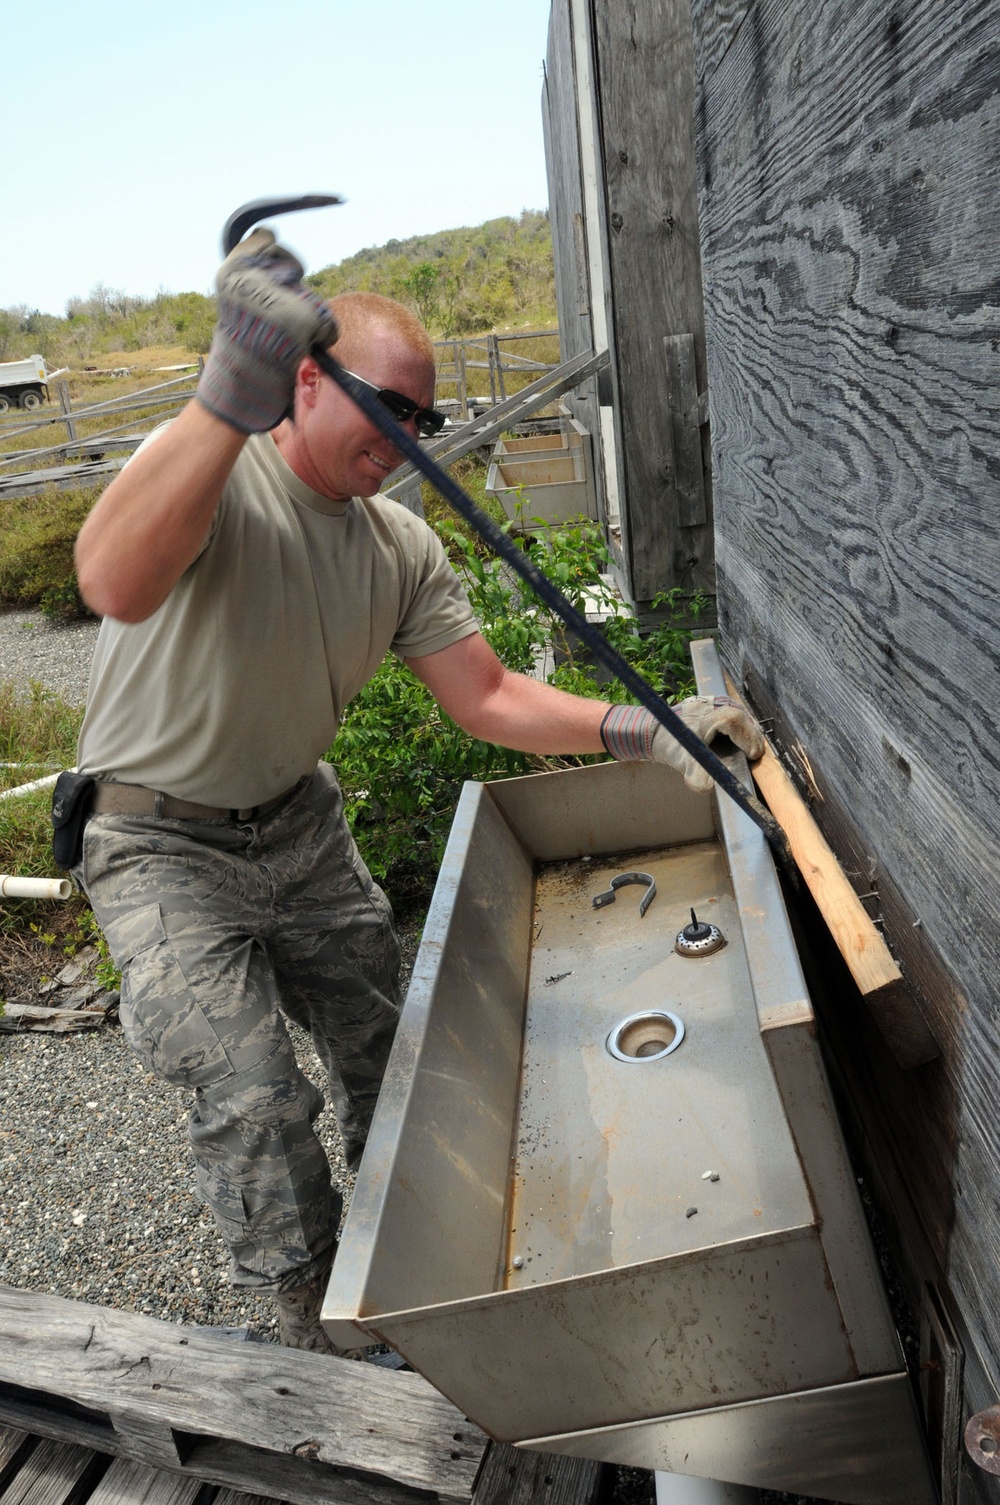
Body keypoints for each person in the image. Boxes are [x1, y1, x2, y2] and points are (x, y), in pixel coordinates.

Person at [69, 230, 764, 1356]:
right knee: (249, 1096)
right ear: (303, 378)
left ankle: (403, 1261)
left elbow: (486, 695)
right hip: (158, 846)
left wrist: (648, 729)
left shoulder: (395, 544)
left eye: (424, 421)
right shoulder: (213, 475)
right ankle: (312, 1320)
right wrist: (219, 399)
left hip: (298, 821)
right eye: (386, 405)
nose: (406, 440)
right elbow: (110, 577)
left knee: (384, 1044)